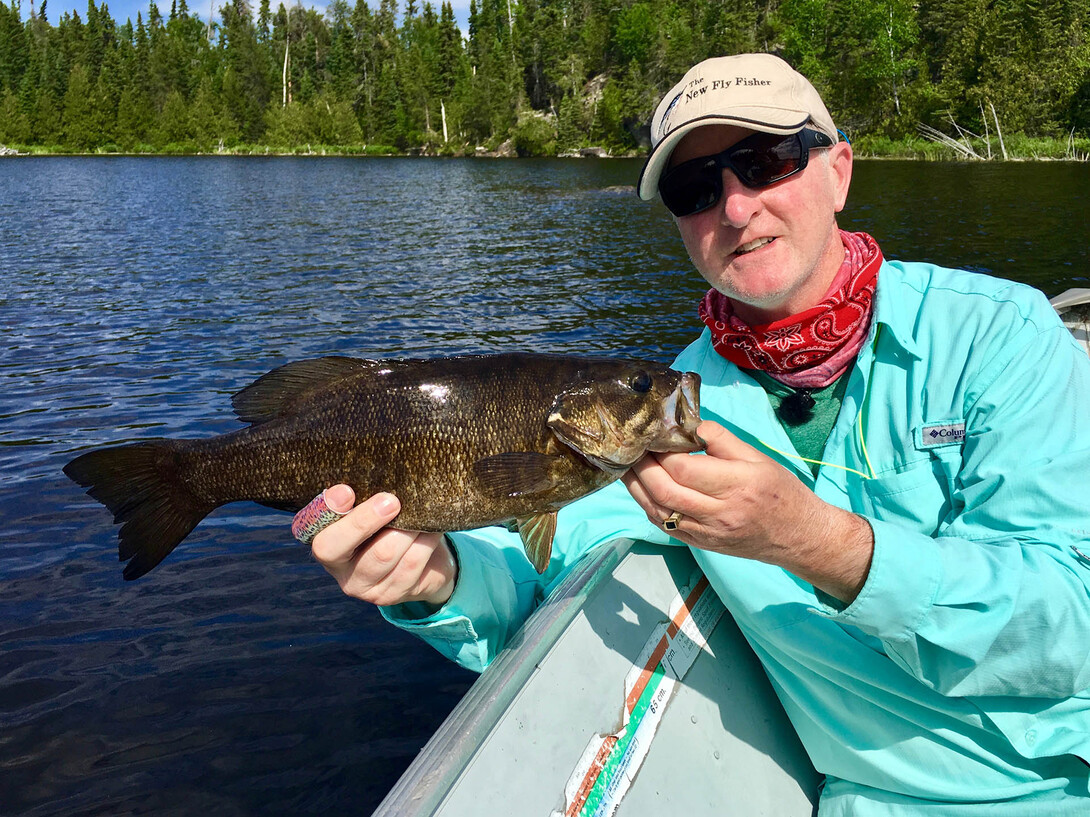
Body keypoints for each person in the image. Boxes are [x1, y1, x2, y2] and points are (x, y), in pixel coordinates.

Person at [294, 53, 1090, 814]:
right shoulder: (664, 408)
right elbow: (549, 563)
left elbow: (1072, 622)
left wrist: (819, 542)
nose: (736, 207)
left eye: (768, 159)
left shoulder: (999, 335)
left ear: (839, 171)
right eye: (693, 186)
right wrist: (437, 577)